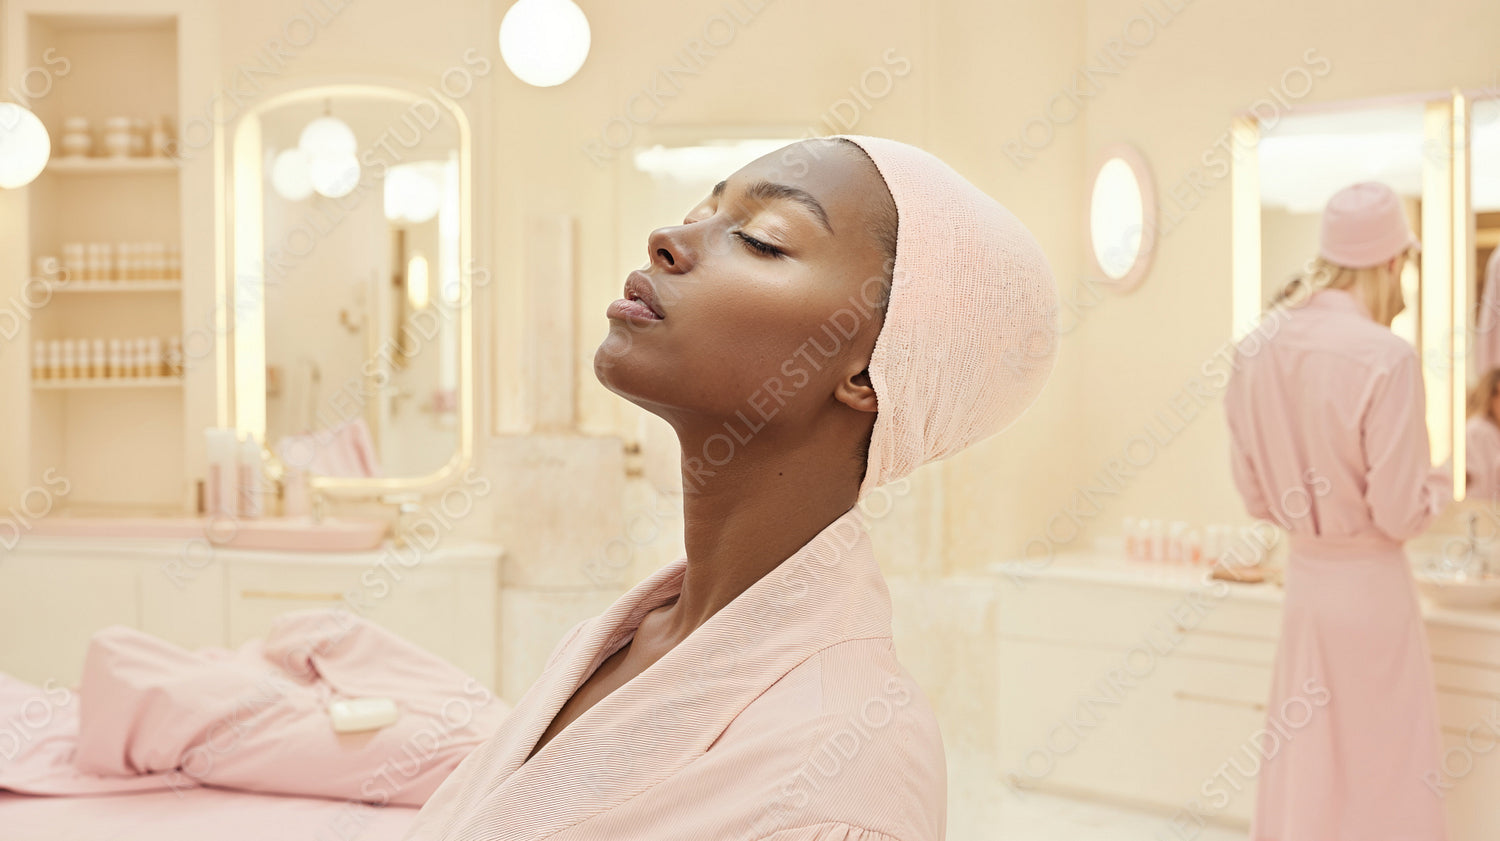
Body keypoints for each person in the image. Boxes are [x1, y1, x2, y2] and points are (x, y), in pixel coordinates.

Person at [401, 135, 1058, 841]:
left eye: (761, 240)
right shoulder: (625, 638)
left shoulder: (839, 787)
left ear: (871, 371)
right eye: (700, 214)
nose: (667, 239)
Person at [1226, 181, 1449, 841]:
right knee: (1387, 770)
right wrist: (1443, 481)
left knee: (1310, 763)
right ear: (1391, 262)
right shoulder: (1388, 357)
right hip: (1373, 596)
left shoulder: (1256, 348)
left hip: (1307, 588)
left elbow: (1256, 499)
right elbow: (1399, 512)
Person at [1465, 367, 1500, 499]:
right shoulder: (1479, 431)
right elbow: (1486, 485)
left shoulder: (1492, 429)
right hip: (1481, 506)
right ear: (1490, 396)